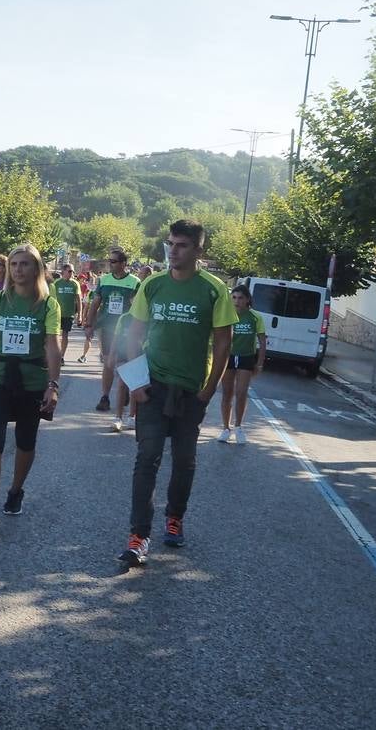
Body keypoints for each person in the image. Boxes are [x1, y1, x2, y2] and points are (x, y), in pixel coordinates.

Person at [118, 219, 235, 564]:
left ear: (199, 250)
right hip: (153, 387)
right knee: (146, 459)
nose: (173, 251)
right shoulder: (152, 285)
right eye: (170, 244)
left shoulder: (214, 290)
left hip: (190, 391)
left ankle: (175, 517)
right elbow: (134, 336)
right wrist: (136, 383)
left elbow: (224, 343)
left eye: (182, 245)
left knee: (184, 461)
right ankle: (138, 536)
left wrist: (209, 389)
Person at [0, 244, 61, 536]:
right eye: (14, 264)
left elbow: (53, 346)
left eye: (25, 264)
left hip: (32, 380)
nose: (18, 270)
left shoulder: (48, 304)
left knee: (25, 441)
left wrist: (53, 385)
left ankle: (16, 489)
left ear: (37, 269)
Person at [86, 248, 138, 412]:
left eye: (114, 261)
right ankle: (105, 397)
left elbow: (138, 307)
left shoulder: (135, 282)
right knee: (109, 362)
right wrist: (89, 325)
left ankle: (124, 389)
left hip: (125, 329)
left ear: (124, 264)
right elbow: (95, 304)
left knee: (126, 363)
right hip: (107, 327)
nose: (110, 264)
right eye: (109, 261)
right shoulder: (104, 280)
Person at [217, 284, 266, 444]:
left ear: (247, 300)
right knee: (227, 393)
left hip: (246, 357)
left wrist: (259, 364)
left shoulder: (255, 317)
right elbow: (217, 338)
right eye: (234, 297)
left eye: (241, 298)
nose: (237, 301)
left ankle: (238, 427)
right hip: (228, 357)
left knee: (241, 392)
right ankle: (225, 428)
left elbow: (262, 341)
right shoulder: (226, 315)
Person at [51, 264, 83, 362]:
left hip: (69, 314)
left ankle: (61, 356)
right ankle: (53, 355)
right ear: (63, 271)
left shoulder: (75, 284)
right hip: (56, 314)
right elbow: (51, 299)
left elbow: (79, 300)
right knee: (54, 335)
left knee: (65, 335)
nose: (71, 273)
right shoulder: (56, 283)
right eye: (69, 271)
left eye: (72, 272)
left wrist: (80, 315)